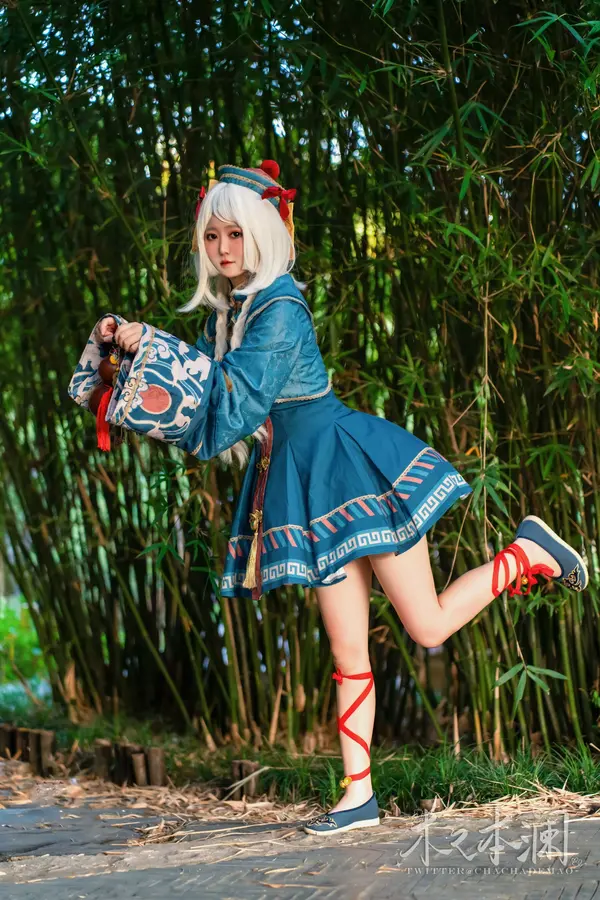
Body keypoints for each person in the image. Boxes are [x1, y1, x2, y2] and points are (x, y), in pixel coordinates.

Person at [70, 160, 589, 836]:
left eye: (235, 233)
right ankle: (358, 796)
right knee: (348, 651)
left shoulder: (280, 307)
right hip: (307, 480)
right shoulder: (235, 310)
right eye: (211, 236)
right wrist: (129, 353)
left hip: (352, 468)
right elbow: (199, 401)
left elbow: (236, 399)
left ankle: (527, 554)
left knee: (427, 627)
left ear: (263, 232)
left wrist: (157, 345)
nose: (222, 248)